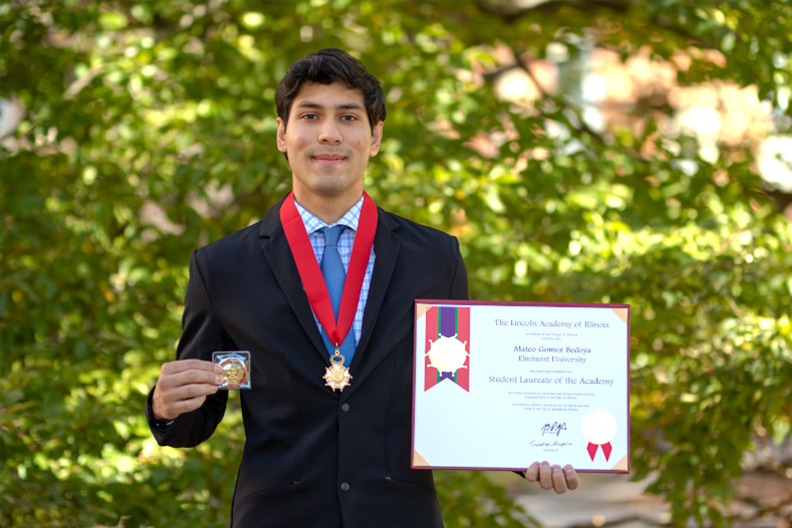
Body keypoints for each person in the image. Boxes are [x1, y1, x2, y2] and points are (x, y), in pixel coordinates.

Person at [146, 48, 579, 527]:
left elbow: (456, 392)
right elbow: (198, 416)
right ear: (282, 135)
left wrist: (533, 447)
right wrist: (167, 408)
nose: (329, 132)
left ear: (373, 138)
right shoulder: (223, 267)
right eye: (310, 115)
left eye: (348, 117)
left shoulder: (435, 258)